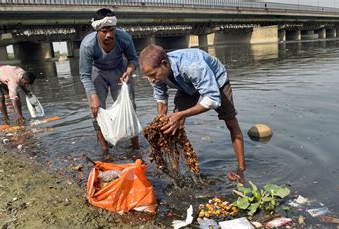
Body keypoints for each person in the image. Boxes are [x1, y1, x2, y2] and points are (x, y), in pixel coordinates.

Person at [139, 45, 246, 176]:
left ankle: (241, 169)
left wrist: (181, 114)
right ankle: (175, 170)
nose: (151, 80)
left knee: (230, 123)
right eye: (148, 77)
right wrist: (160, 120)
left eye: (153, 75)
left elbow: (212, 99)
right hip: (185, 85)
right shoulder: (157, 74)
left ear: (164, 64)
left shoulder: (192, 66)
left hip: (216, 81)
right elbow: (161, 98)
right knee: (171, 127)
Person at [79, 8, 139, 160]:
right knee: (96, 110)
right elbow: (84, 75)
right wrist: (93, 96)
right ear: (97, 30)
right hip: (98, 73)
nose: (109, 35)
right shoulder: (88, 45)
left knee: (130, 106)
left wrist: (129, 71)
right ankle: (105, 151)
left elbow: (133, 59)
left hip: (119, 70)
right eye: (104, 31)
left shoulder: (124, 38)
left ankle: (136, 148)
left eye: (111, 30)